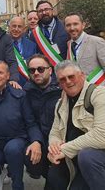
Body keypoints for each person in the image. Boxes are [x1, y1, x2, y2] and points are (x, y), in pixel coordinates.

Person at [47, 60, 105, 190]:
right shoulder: (61, 103)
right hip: (82, 160)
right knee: (54, 175)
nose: (68, 81)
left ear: (82, 75)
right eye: (63, 79)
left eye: (71, 76)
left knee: (88, 156)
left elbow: (102, 137)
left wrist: (64, 150)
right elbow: (55, 132)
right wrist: (54, 147)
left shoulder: (101, 95)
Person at [0, 61, 43, 190]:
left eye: (1, 72)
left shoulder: (20, 94)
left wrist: (36, 141)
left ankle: (17, 184)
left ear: (7, 76)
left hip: (16, 140)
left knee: (12, 149)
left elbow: (31, 123)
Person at [23, 54, 62, 182]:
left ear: (50, 70)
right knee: (28, 154)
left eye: (40, 69)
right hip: (40, 136)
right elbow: (30, 122)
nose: (36, 73)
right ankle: (42, 171)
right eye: (32, 70)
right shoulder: (27, 91)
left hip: (61, 139)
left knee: (57, 177)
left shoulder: (63, 88)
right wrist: (36, 141)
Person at [64, 12, 105, 93]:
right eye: (68, 25)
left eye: (75, 24)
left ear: (83, 25)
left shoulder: (97, 42)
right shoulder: (69, 44)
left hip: (99, 94)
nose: (72, 28)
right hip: (81, 96)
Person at [8, 16, 38, 85]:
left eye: (19, 26)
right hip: (10, 85)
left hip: (30, 85)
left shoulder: (32, 45)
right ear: (9, 27)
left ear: (24, 29)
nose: (16, 29)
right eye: (14, 26)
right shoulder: (2, 44)